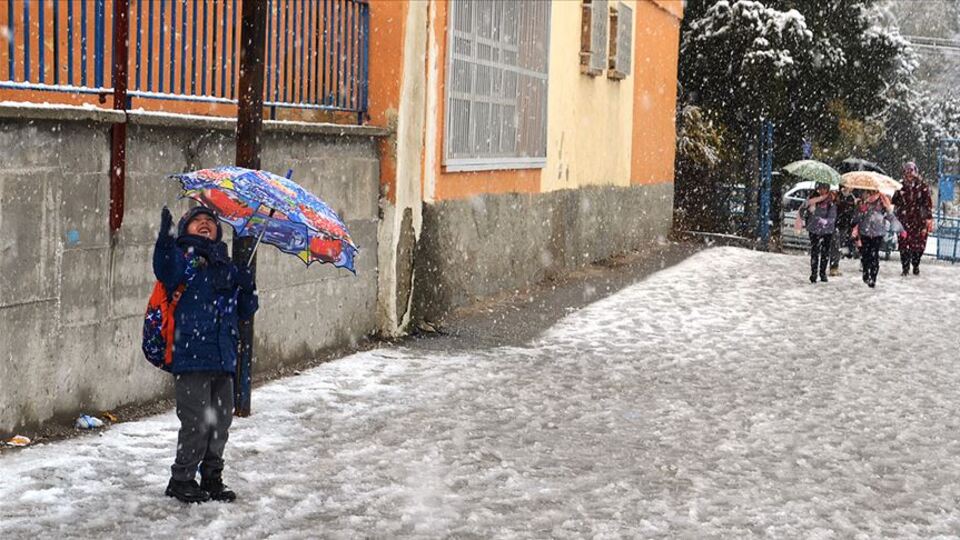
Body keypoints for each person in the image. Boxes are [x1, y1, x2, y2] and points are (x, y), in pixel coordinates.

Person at [153, 206, 258, 503]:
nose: (204, 224)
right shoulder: (182, 258)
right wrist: (165, 239)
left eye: (210, 222)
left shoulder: (225, 264)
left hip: (223, 357)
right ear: (185, 229)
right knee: (196, 421)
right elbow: (163, 269)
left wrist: (247, 288)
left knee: (220, 422)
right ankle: (182, 478)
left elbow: (244, 312)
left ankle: (212, 477)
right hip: (191, 355)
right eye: (196, 221)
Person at [892, 161, 933, 275]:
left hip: (919, 221)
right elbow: (894, 201)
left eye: (911, 172)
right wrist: (898, 194)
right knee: (903, 245)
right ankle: (905, 268)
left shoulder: (923, 186)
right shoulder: (900, 185)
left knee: (918, 246)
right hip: (904, 220)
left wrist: (928, 218)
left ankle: (915, 264)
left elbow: (928, 203)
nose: (909, 175)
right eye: (907, 172)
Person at [852, 190, 896, 288]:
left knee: (874, 254)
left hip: (878, 232)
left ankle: (873, 277)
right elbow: (855, 218)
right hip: (865, 232)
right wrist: (860, 209)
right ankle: (865, 272)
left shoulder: (882, 201)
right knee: (865, 254)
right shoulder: (863, 201)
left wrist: (887, 208)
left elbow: (889, 214)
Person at [800, 182, 837, 283]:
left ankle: (822, 273)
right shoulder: (812, 198)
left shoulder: (831, 200)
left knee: (825, 252)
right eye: (820, 188)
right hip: (814, 230)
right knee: (814, 252)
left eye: (824, 188)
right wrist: (809, 209)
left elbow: (832, 217)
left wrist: (824, 221)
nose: (822, 190)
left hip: (827, 231)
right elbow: (802, 212)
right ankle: (814, 273)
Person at [829, 186, 858, 276]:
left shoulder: (852, 198)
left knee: (839, 245)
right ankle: (833, 267)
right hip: (835, 223)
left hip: (845, 225)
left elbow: (853, 213)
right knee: (835, 245)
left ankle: (834, 265)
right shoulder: (837, 195)